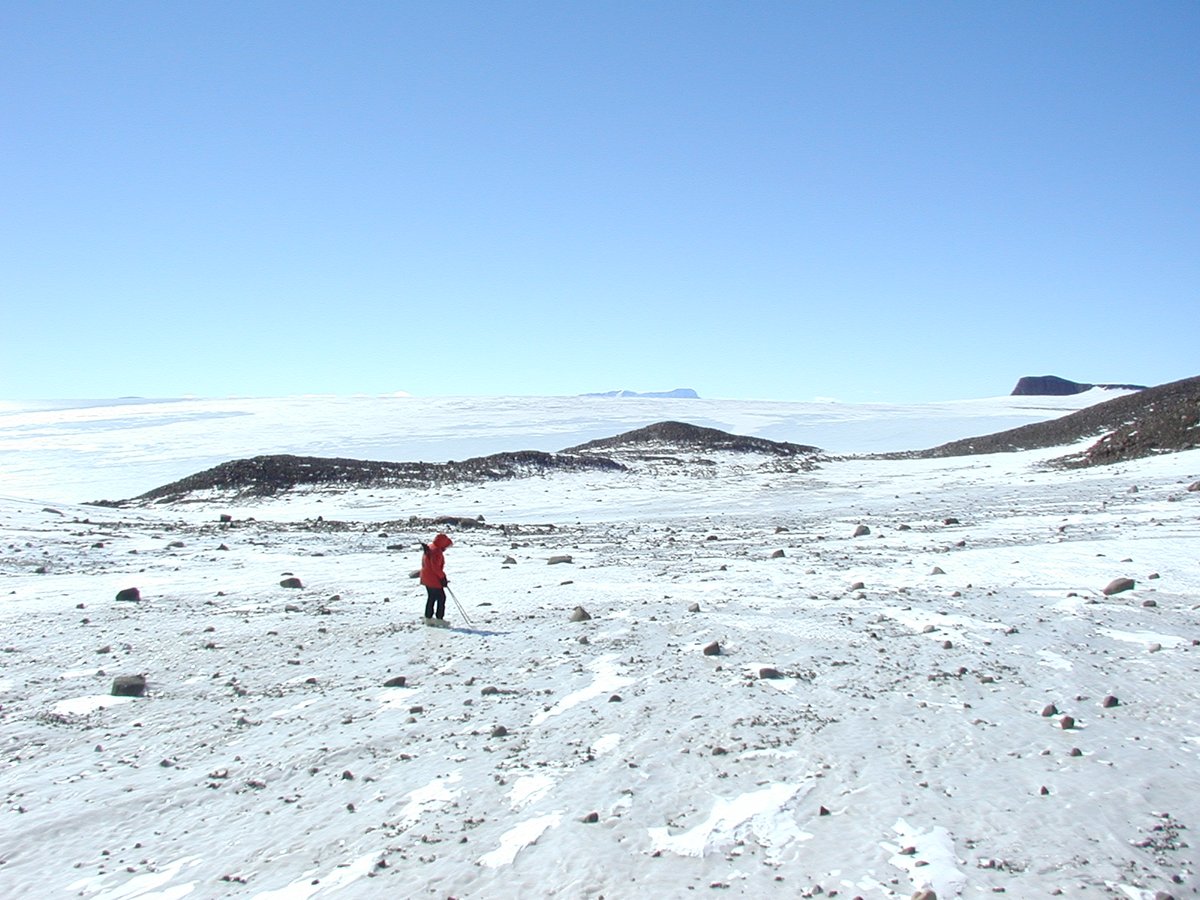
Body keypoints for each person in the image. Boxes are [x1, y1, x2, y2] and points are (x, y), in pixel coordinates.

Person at [419, 533, 453, 623]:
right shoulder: (436, 552)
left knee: (431, 597)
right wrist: (443, 578)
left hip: (426, 577)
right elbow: (436, 568)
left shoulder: (431, 547)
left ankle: (428, 617)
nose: (446, 548)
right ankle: (439, 619)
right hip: (433, 579)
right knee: (441, 598)